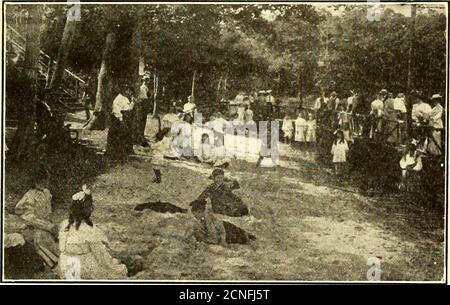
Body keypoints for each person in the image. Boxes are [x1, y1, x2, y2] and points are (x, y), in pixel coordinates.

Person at [58, 186, 128, 279]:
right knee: (115, 271)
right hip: (84, 267)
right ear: (88, 209)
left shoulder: (64, 224)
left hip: (67, 266)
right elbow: (101, 257)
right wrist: (117, 267)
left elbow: (62, 248)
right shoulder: (89, 230)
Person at [13, 171, 59, 269]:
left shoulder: (46, 192)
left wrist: (52, 225)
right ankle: (51, 263)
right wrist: (48, 226)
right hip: (35, 227)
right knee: (44, 239)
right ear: (36, 181)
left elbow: (48, 212)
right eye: (43, 180)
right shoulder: (30, 196)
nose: (46, 182)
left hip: (46, 225)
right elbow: (29, 218)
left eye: (46, 180)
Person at [107, 85, 134, 162]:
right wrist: (121, 119)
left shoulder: (125, 99)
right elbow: (116, 111)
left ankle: (121, 155)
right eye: (128, 91)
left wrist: (132, 102)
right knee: (117, 137)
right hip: (117, 120)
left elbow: (129, 108)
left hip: (124, 118)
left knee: (123, 137)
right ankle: (114, 156)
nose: (129, 92)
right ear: (124, 90)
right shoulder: (118, 99)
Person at [134, 76, 150, 146]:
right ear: (143, 81)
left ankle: (142, 135)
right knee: (141, 120)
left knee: (144, 120)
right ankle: (140, 136)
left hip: (145, 103)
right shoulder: (142, 88)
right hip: (142, 103)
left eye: (148, 80)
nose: (147, 82)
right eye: (146, 80)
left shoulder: (146, 88)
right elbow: (141, 97)